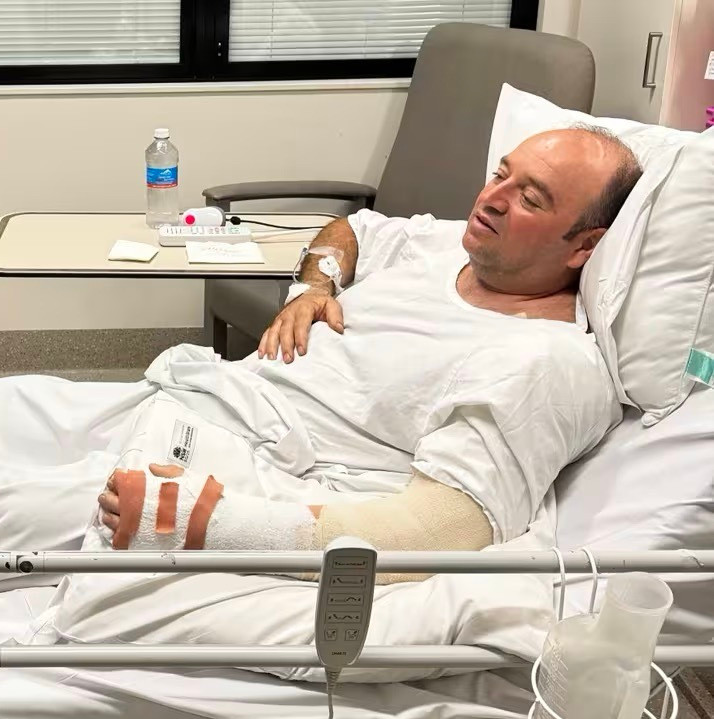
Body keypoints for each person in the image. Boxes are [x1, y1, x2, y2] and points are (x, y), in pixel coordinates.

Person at [96, 126, 643, 561]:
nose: (491, 199)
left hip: (246, 464)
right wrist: (313, 288)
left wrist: (203, 524)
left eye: (530, 198)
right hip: (214, 399)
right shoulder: (448, 244)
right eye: (500, 174)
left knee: (45, 506)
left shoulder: (547, 360)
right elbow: (352, 229)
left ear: (584, 247)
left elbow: (441, 531)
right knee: (36, 416)